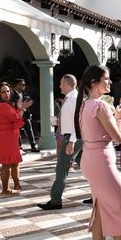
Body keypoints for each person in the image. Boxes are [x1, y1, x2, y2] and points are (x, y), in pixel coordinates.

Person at [74, 65, 121, 240]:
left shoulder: (84, 105)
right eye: (106, 79)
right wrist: (120, 117)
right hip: (101, 161)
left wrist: (116, 115)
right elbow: (118, 138)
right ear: (94, 83)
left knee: (100, 210)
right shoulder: (100, 106)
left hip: (90, 160)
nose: (110, 83)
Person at [38, 75, 83, 210]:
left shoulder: (74, 99)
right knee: (87, 167)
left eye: (61, 84)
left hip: (72, 138)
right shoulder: (71, 98)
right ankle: (98, 195)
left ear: (68, 84)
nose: (59, 86)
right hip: (73, 137)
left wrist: (72, 141)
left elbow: (78, 122)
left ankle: (56, 200)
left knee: (61, 169)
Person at [0, 82, 31, 194]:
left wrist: (20, 108)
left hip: (9, 136)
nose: (6, 94)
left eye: (8, 91)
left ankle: (17, 185)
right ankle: (6, 189)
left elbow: (14, 117)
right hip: (4, 137)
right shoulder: (2, 105)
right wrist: (22, 108)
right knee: (7, 163)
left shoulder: (6, 105)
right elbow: (16, 118)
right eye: (3, 92)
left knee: (15, 162)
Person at [11, 78, 39, 152]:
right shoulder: (12, 94)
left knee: (29, 130)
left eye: (24, 85)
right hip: (17, 114)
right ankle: (19, 147)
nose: (24, 86)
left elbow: (30, 100)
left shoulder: (25, 93)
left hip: (25, 114)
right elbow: (12, 104)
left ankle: (33, 146)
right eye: (22, 85)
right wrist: (21, 105)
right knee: (18, 131)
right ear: (17, 85)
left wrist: (28, 103)